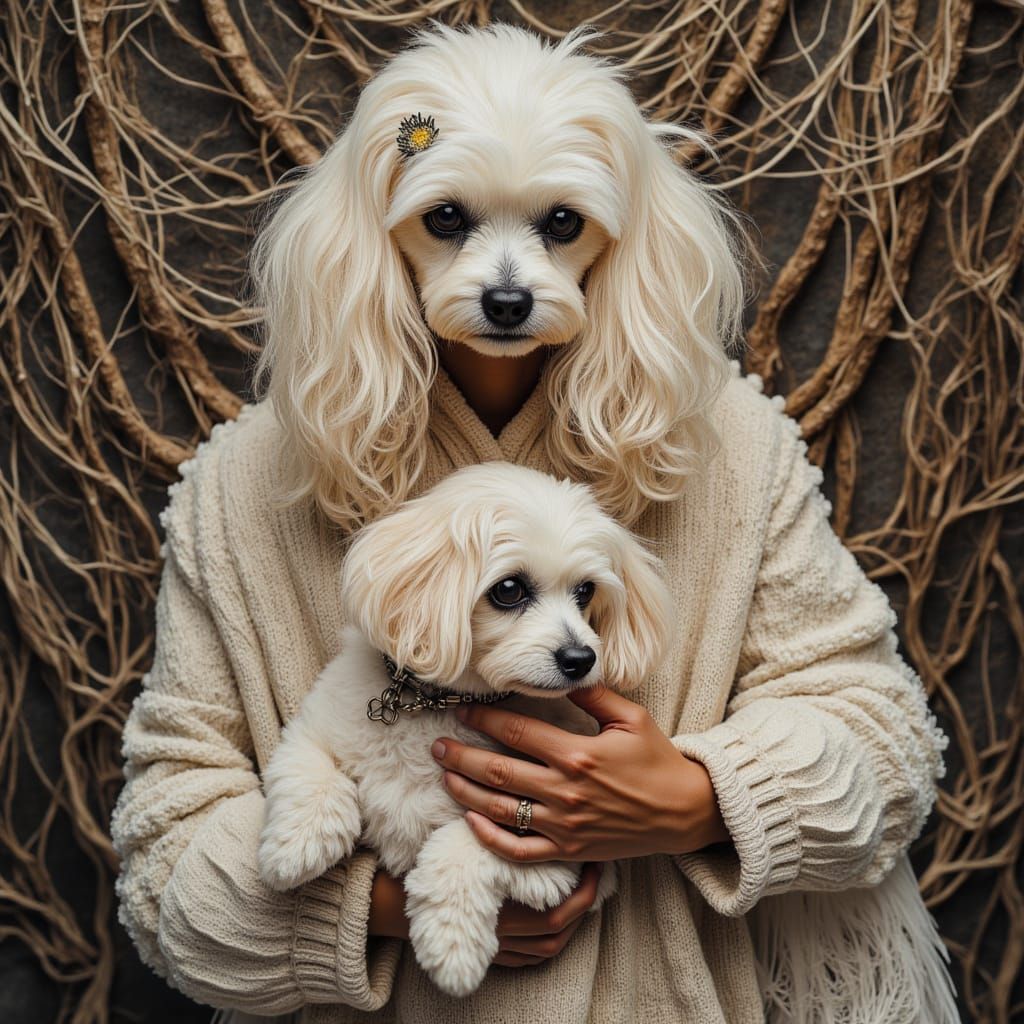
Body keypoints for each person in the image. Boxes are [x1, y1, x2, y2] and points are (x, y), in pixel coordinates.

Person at [110, 21, 957, 1024]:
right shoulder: (245, 486)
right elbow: (165, 850)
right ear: (374, 231)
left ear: (619, 237)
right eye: (448, 220)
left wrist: (698, 798)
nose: (506, 280)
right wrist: (378, 905)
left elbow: (886, 738)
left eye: (559, 224)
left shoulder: (725, 445)